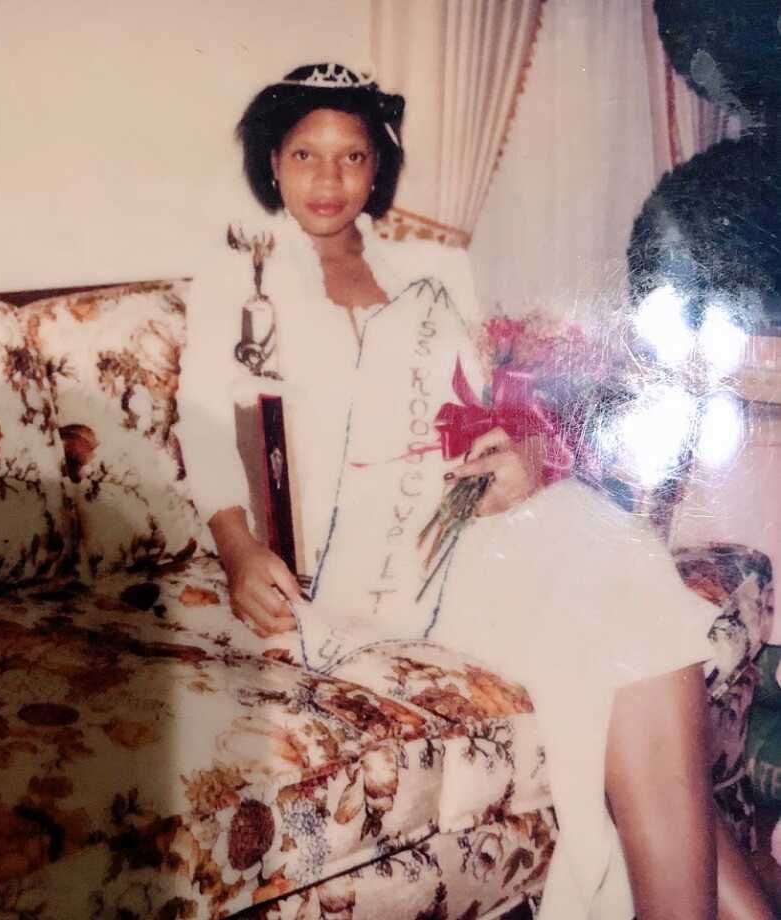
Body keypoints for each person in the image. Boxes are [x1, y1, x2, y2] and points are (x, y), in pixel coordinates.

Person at [179, 63, 774, 919]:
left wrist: (519, 454)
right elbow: (205, 426)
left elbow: (472, 413)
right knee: (612, 644)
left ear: (377, 169)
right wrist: (238, 550)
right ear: (272, 164)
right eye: (305, 153)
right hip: (370, 571)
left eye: (351, 157)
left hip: (471, 521)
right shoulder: (245, 273)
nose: (327, 177)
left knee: (631, 573)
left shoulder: (428, 268)